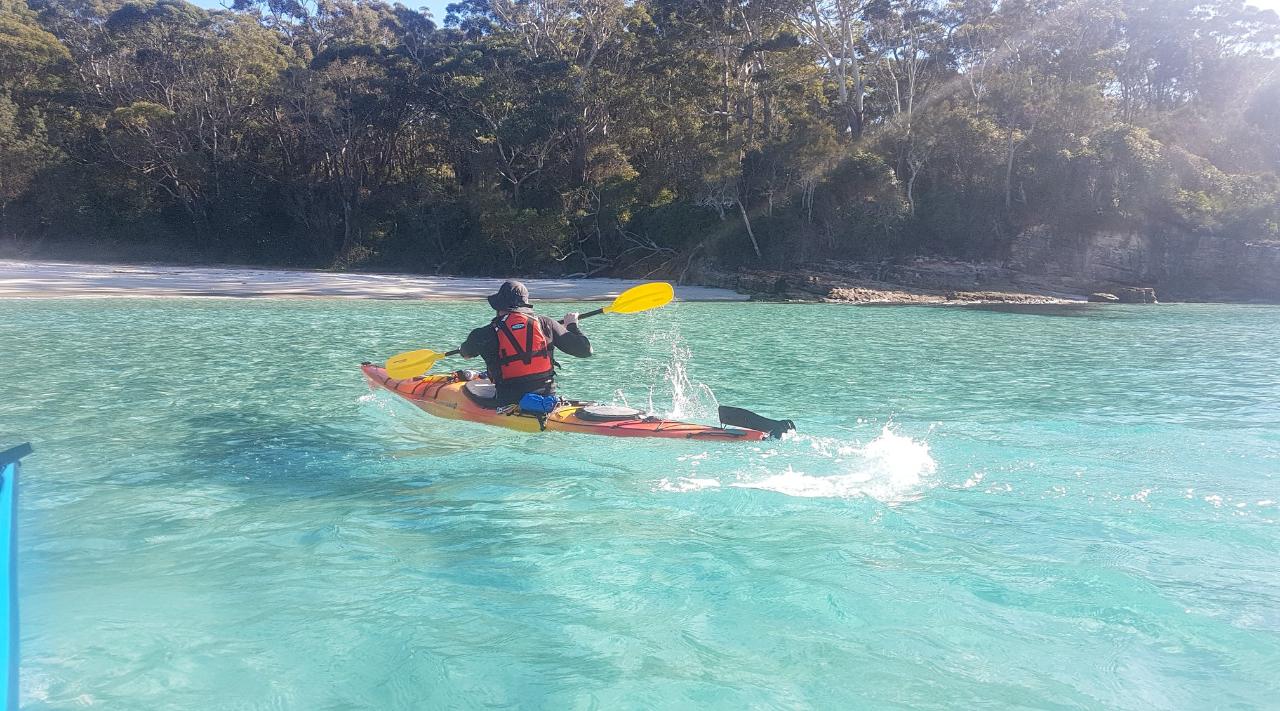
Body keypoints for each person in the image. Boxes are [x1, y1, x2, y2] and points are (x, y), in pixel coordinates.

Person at [459, 280, 592, 405]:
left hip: (508, 400)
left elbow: (465, 354)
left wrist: (467, 346)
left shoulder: (483, 334)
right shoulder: (546, 324)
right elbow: (586, 350)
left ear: (499, 306)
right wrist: (572, 326)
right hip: (546, 397)